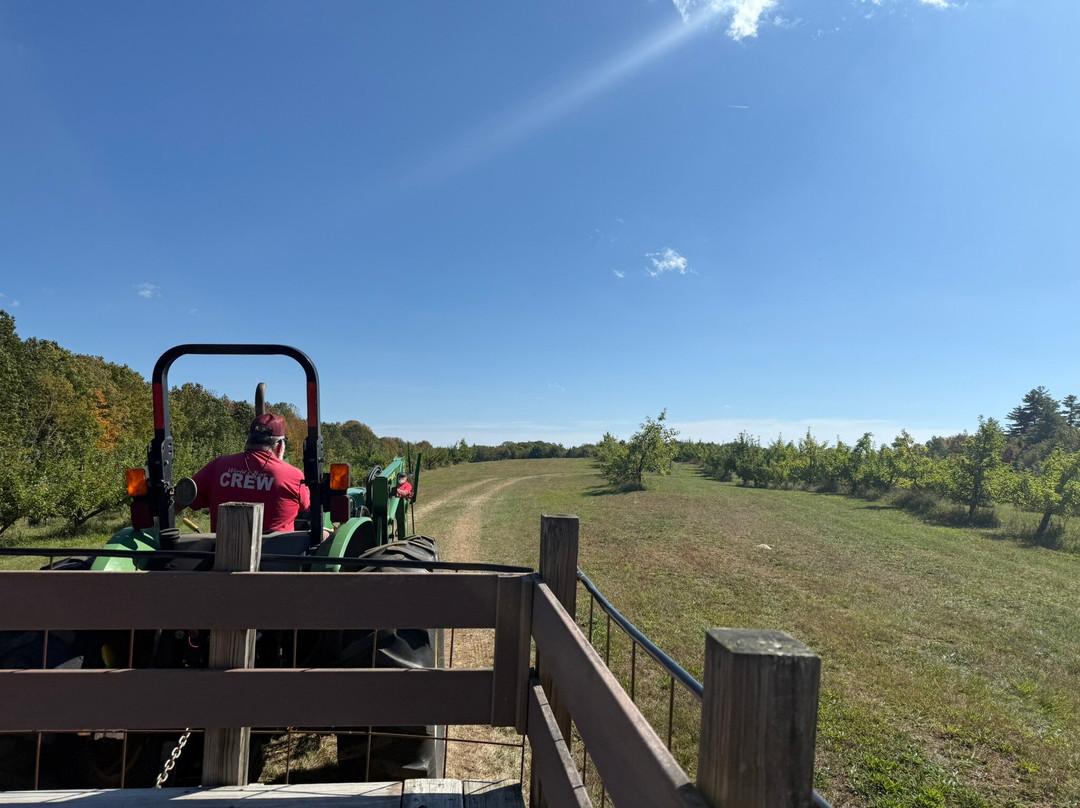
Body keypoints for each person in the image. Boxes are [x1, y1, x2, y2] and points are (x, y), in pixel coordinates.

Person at [185, 413, 310, 533]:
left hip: (223, 552)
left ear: (249, 441)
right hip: (275, 552)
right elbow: (307, 507)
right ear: (279, 446)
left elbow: (186, 497)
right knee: (324, 534)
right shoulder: (294, 475)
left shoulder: (218, 465)